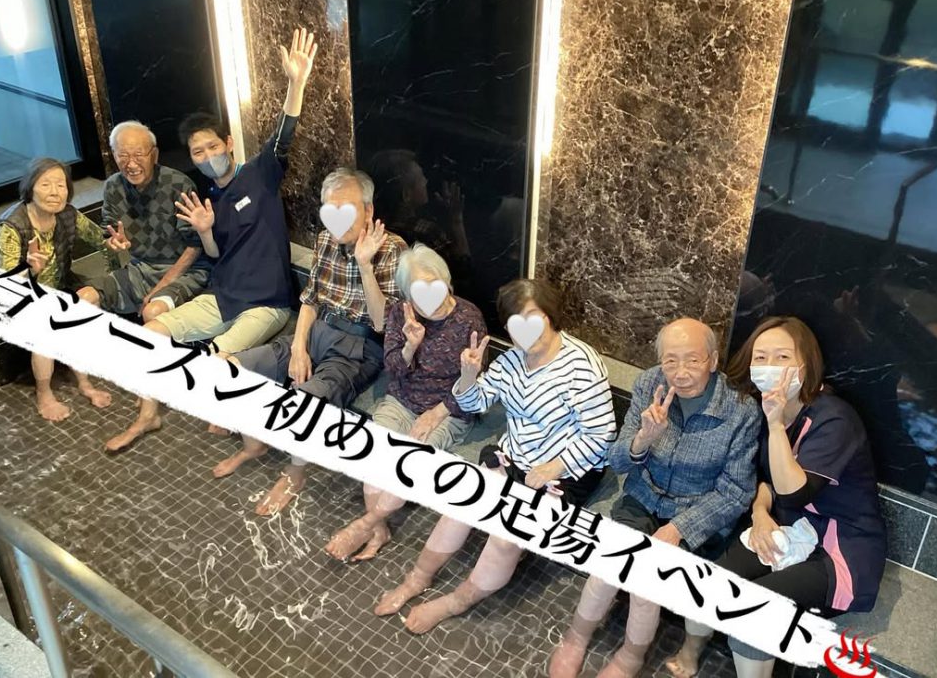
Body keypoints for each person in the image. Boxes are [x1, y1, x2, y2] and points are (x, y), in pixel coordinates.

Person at [102, 27, 317, 452]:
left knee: (215, 362)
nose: (206, 156)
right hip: (223, 296)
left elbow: (285, 133)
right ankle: (147, 416)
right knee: (151, 331)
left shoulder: (258, 174)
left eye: (212, 147)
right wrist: (204, 230)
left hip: (267, 303)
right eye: (197, 152)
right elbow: (216, 254)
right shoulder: (206, 200)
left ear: (229, 144)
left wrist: (296, 82)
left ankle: (250, 431)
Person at [374, 278, 617, 634]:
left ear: (550, 316)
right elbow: (476, 402)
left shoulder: (582, 365)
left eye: (534, 318)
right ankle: (417, 578)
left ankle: (455, 601)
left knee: (505, 537)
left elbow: (602, 435)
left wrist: (554, 467)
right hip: (514, 455)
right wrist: (468, 376)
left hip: (568, 469)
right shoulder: (512, 361)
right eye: (516, 323)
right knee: (463, 500)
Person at [665, 316, 887, 678]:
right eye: (761, 357)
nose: (769, 366)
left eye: (782, 357)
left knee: (753, 613)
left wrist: (774, 423)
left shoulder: (834, 420)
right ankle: (691, 651)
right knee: (708, 581)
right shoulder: (769, 407)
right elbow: (767, 482)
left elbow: (794, 492)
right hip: (786, 529)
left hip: (838, 550)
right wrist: (759, 514)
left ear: (806, 364)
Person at [549, 318, 762, 678]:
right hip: (643, 496)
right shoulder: (650, 383)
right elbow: (617, 460)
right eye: (670, 361)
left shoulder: (740, 410)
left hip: (694, 510)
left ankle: (631, 656)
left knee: (646, 579)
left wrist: (678, 529)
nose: (681, 372)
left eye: (693, 360)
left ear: (712, 360)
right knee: (608, 564)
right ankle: (576, 637)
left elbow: (736, 492)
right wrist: (643, 439)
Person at [214, 167, 406, 516]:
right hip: (317, 329)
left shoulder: (393, 250)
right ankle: (254, 445)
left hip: (358, 345)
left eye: (347, 210)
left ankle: (295, 473)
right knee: (227, 367)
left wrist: (365, 265)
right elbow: (310, 300)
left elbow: (382, 324)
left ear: (368, 210)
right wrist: (298, 346)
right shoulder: (325, 240)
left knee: (304, 400)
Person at [323, 244, 487, 561]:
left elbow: (475, 386)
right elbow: (394, 369)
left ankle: (364, 525)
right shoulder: (402, 312)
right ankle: (379, 531)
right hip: (402, 399)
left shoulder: (469, 319)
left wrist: (435, 414)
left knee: (411, 464)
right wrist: (411, 346)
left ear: (446, 281)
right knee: (373, 454)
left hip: (448, 408)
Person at [0, 158, 114, 420]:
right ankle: (44, 393)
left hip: (55, 287)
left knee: (87, 303)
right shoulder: (12, 227)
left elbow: (101, 239)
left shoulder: (67, 214)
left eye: (61, 185)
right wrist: (29, 269)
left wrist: (116, 244)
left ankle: (84, 383)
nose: (54, 192)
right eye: (45, 184)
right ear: (30, 189)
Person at [77, 120, 210, 321]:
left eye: (139, 155)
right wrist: (113, 243)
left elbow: (195, 246)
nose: (131, 164)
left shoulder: (178, 184)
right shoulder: (113, 186)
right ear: (113, 155)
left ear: (154, 155)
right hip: (141, 270)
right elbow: (108, 234)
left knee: (152, 312)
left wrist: (161, 286)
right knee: (83, 299)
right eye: (123, 155)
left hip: (186, 271)